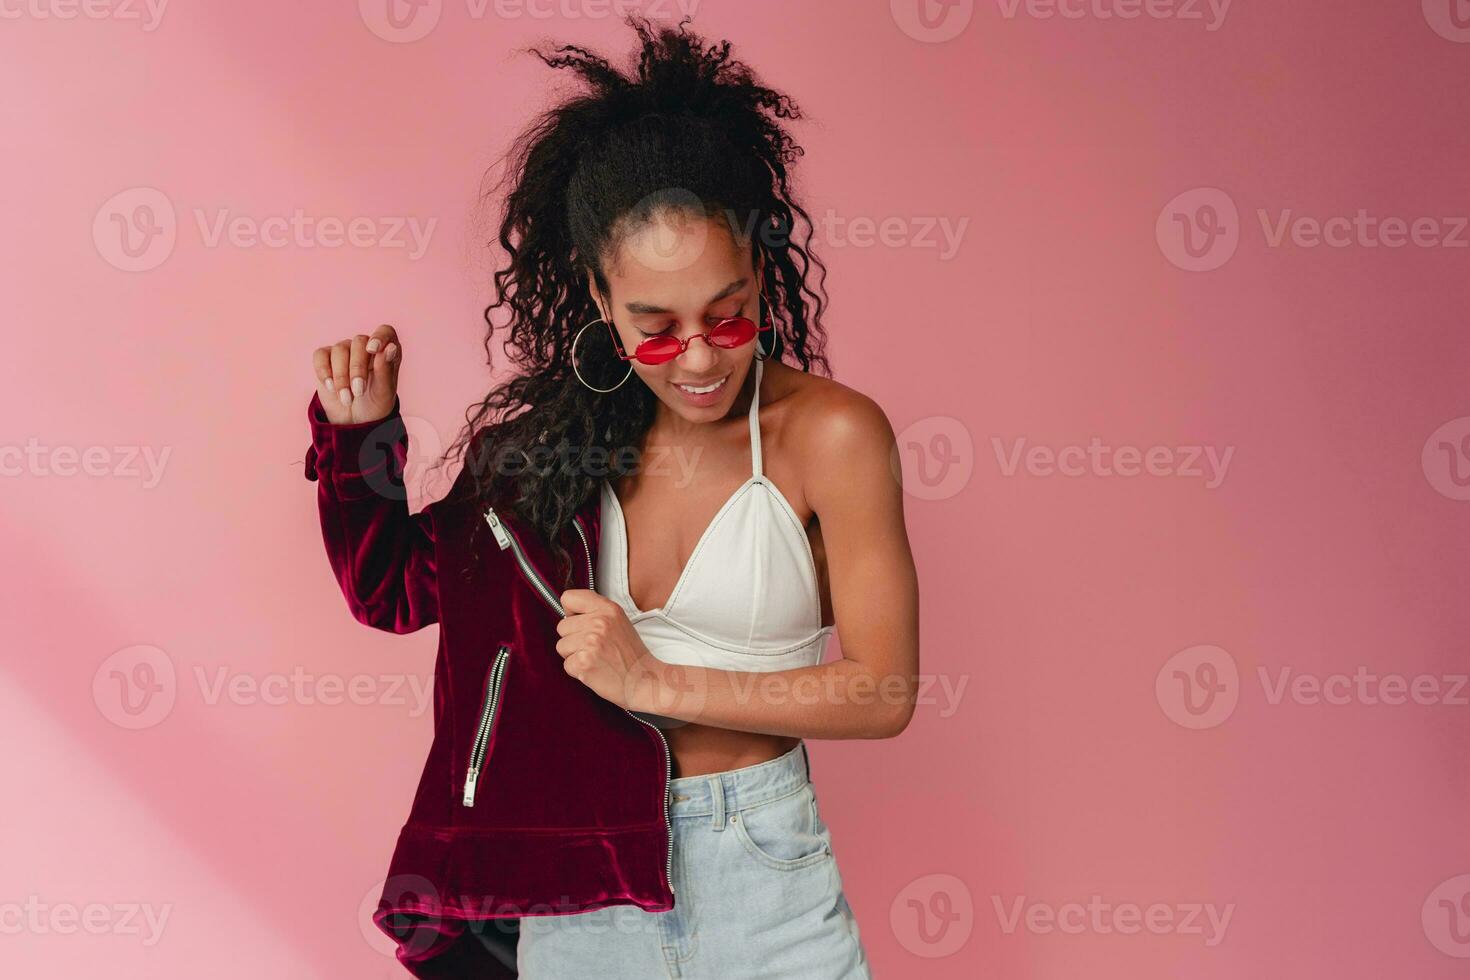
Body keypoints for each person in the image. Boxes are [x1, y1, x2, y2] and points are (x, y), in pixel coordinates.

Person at [310, 15, 919, 979]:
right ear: (600, 299)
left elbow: (885, 691)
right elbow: (394, 593)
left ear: (761, 269)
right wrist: (360, 441)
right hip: (579, 886)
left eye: (728, 314)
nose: (705, 358)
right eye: (658, 329)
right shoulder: (541, 459)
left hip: (765, 868)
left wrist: (654, 685)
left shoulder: (833, 435)